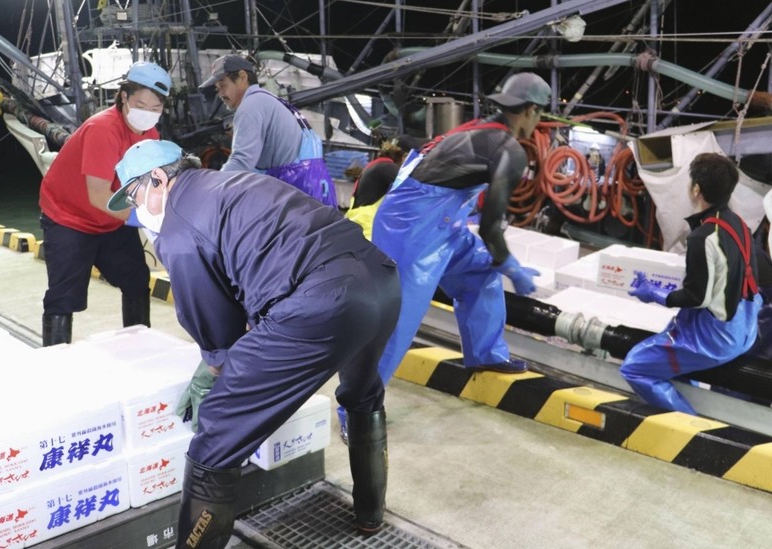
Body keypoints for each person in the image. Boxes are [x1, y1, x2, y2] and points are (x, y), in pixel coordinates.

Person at [108, 139, 401, 548]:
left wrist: (215, 369)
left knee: (217, 432)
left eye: (135, 195)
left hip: (324, 301)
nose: (137, 209)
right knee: (363, 394)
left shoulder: (178, 227)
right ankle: (370, 514)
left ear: (158, 178)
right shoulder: (234, 183)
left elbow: (217, 332)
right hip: (382, 282)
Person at [352, 72, 546, 439]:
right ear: (531, 110)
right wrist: (512, 267)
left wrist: (498, 262)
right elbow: (491, 227)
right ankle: (357, 411)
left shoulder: (480, 129)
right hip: (411, 228)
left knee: (481, 270)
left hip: (441, 223)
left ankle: (486, 355)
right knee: (398, 320)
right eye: (540, 114)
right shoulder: (509, 150)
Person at [38, 61, 171, 346]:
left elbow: (149, 184)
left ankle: (139, 345)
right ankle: (54, 358)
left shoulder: (151, 135)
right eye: (141, 105)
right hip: (69, 218)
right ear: (124, 97)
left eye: (155, 108)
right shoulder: (103, 129)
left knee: (136, 279)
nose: (147, 114)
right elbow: (98, 195)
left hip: (110, 220)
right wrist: (142, 219)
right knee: (64, 296)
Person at [622, 152, 762, 414]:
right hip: (746, 328)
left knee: (634, 367)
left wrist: (655, 294)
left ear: (696, 189)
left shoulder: (703, 237)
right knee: (670, 335)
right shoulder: (739, 225)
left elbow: (697, 298)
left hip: (717, 339)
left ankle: (689, 423)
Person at [199, 54, 338, 206]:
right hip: (315, 189)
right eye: (218, 88)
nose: (220, 94)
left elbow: (241, 161)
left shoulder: (250, 106)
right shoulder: (269, 99)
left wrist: (209, 193)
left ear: (242, 77)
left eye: (223, 85)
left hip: (296, 196)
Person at [345, 137, 409, 240]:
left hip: (360, 221)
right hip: (367, 225)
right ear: (404, 156)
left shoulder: (378, 165)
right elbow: (409, 189)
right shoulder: (387, 168)